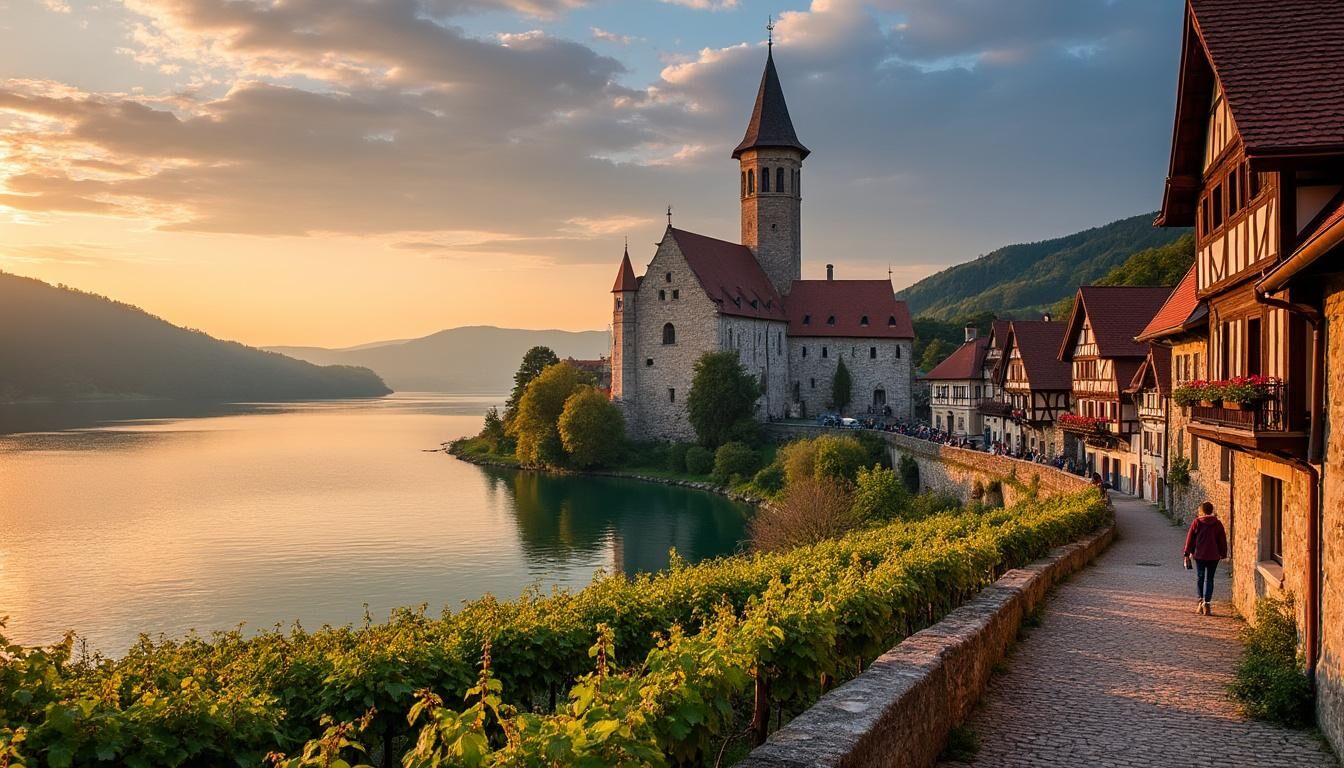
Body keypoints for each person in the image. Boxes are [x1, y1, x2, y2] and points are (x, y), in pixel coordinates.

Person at [1183, 501, 1229, 615]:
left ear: (1202, 511)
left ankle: (1200, 601)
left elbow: (1190, 539)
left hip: (1200, 555)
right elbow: (1222, 540)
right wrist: (1223, 553)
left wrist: (1187, 553)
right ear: (1211, 510)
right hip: (1213, 556)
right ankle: (1207, 604)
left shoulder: (1197, 522)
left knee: (1200, 578)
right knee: (1210, 579)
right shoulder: (1218, 524)